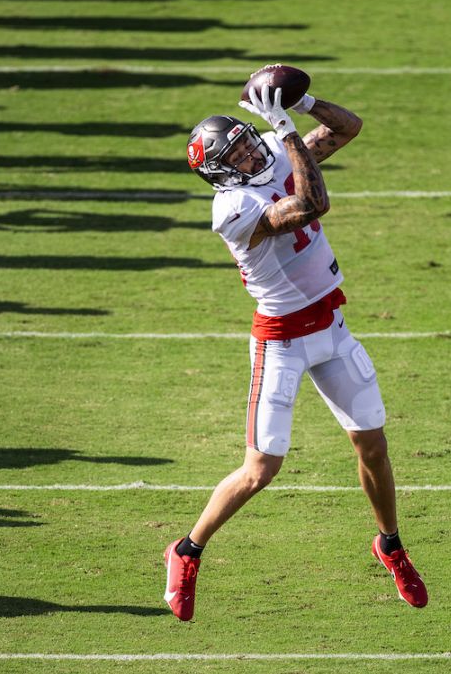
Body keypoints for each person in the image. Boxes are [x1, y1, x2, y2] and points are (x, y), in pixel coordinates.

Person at [163, 82, 428, 622]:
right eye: (233, 155)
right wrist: (286, 131)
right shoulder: (232, 207)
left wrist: (301, 104)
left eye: (243, 142)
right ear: (218, 174)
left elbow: (348, 128)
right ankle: (186, 551)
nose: (247, 152)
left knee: (372, 444)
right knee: (261, 469)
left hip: (332, 325)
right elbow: (310, 204)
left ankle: (390, 544)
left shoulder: (274, 151)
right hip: (281, 340)